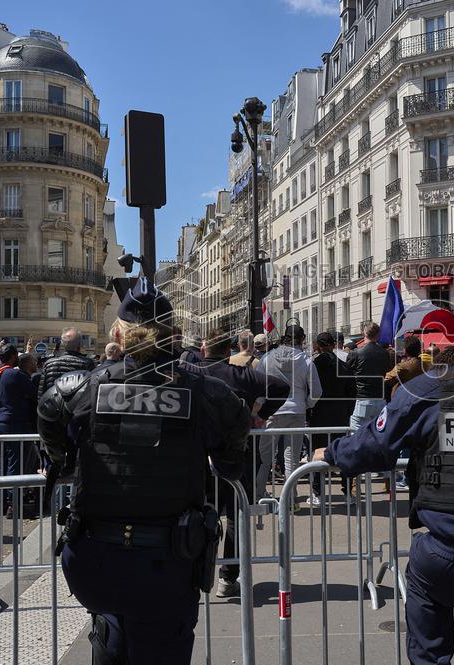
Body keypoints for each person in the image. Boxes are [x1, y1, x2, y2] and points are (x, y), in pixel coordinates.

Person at [314, 277, 454, 664]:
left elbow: (374, 446)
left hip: (452, 550)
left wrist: (331, 452)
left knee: (424, 593)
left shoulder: (429, 388)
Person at [37, 275, 251, 665]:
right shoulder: (201, 391)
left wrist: (63, 461)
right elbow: (236, 425)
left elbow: (50, 407)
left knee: (111, 637)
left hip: (96, 558)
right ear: (172, 334)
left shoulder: (90, 387)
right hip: (167, 562)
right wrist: (225, 463)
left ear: (119, 334)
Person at [180, 327, 288, 597]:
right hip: (238, 452)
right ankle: (228, 577)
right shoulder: (242, 374)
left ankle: (194, 570)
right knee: (237, 516)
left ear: (203, 350)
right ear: (229, 352)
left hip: (197, 455)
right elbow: (280, 387)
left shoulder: (191, 373)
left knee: (198, 514)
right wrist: (260, 415)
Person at [256, 324, 321, 499]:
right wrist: (306, 404)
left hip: (272, 411)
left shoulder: (267, 358)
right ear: (302, 339)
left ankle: (258, 494)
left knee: (264, 458)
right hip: (296, 411)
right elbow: (316, 391)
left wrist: (261, 405)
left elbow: (258, 385)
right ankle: (290, 498)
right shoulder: (306, 360)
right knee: (291, 459)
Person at [308, 332, 357, 506]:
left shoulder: (314, 365)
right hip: (340, 415)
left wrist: (309, 412)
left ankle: (317, 492)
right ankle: (348, 492)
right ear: (332, 345)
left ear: (318, 346)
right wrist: (347, 412)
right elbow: (352, 393)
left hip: (319, 414)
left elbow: (310, 390)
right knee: (342, 453)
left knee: (317, 453)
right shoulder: (343, 366)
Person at [0, 352, 38, 477]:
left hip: (0, 422)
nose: (36, 363)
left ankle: (3, 490)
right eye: (34, 361)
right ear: (29, 363)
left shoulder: (1, 373)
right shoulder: (16, 374)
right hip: (15, 424)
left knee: (2, 462)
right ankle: (13, 490)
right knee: (15, 463)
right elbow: (35, 395)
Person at [345, 322, 394, 430]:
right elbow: (386, 371)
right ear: (378, 335)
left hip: (363, 398)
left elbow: (348, 373)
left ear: (364, 333)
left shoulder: (356, 353)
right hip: (380, 398)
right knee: (377, 432)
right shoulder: (385, 353)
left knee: (356, 432)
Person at [38, 327, 96, 397]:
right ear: (79, 344)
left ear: (62, 343)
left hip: (53, 402)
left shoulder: (49, 364)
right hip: (77, 403)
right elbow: (93, 391)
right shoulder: (88, 363)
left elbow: (41, 393)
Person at [384, 336, 427, 401]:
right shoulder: (426, 365)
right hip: (419, 398)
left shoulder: (402, 367)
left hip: (403, 399)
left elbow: (387, 378)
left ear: (405, 350)